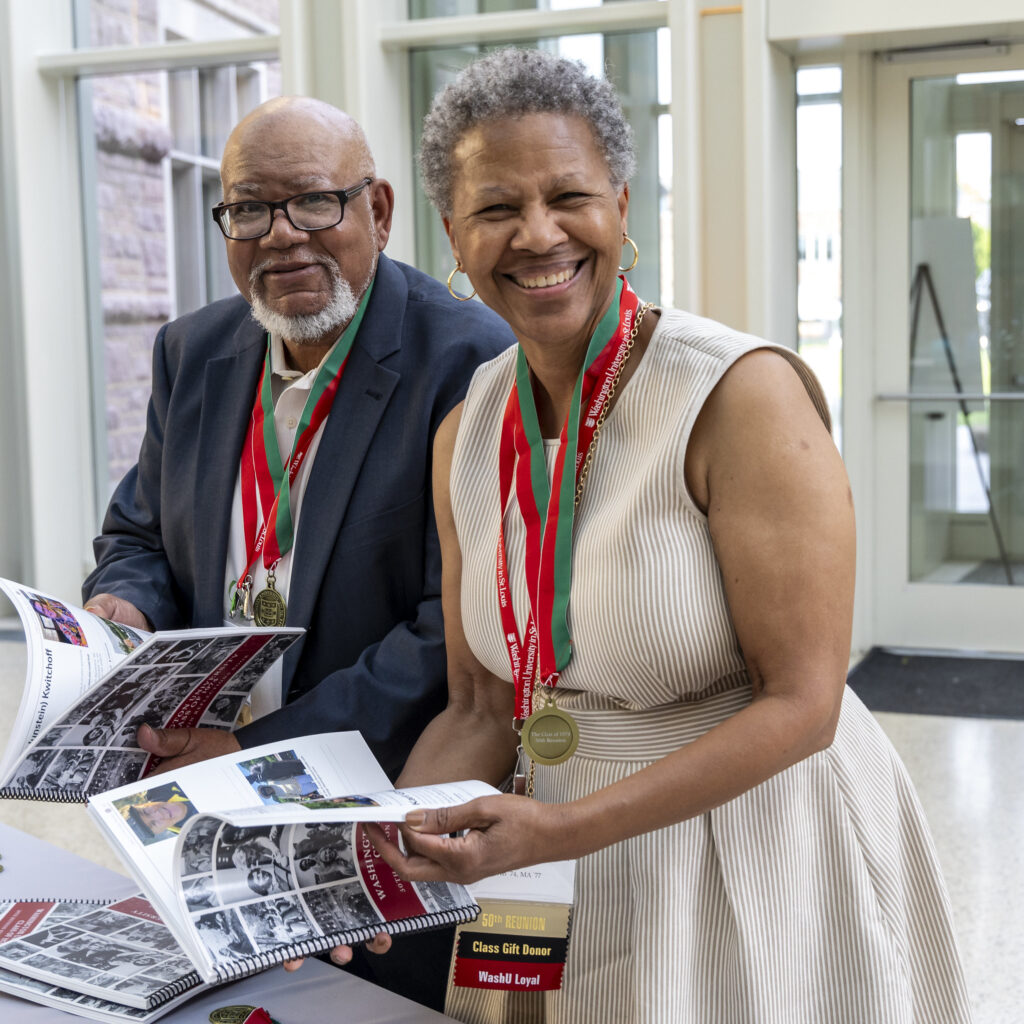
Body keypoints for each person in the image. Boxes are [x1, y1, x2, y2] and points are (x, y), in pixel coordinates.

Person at [355, 49, 974, 1023]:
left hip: (747, 843)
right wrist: (385, 840)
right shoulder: (467, 429)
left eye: (569, 195)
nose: (537, 233)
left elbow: (804, 703)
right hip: (546, 852)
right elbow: (479, 703)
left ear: (623, 206)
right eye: (495, 208)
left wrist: (560, 829)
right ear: (452, 234)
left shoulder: (737, 393)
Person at [81, 95, 515, 1009]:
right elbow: (138, 534)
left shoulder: (470, 361)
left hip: (379, 800)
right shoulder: (189, 351)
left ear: (380, 211)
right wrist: (127, 605)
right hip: (201, 801)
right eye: (249, 209)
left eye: (314, 202)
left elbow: (452, 630)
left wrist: (249, 747)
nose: (282, 237)